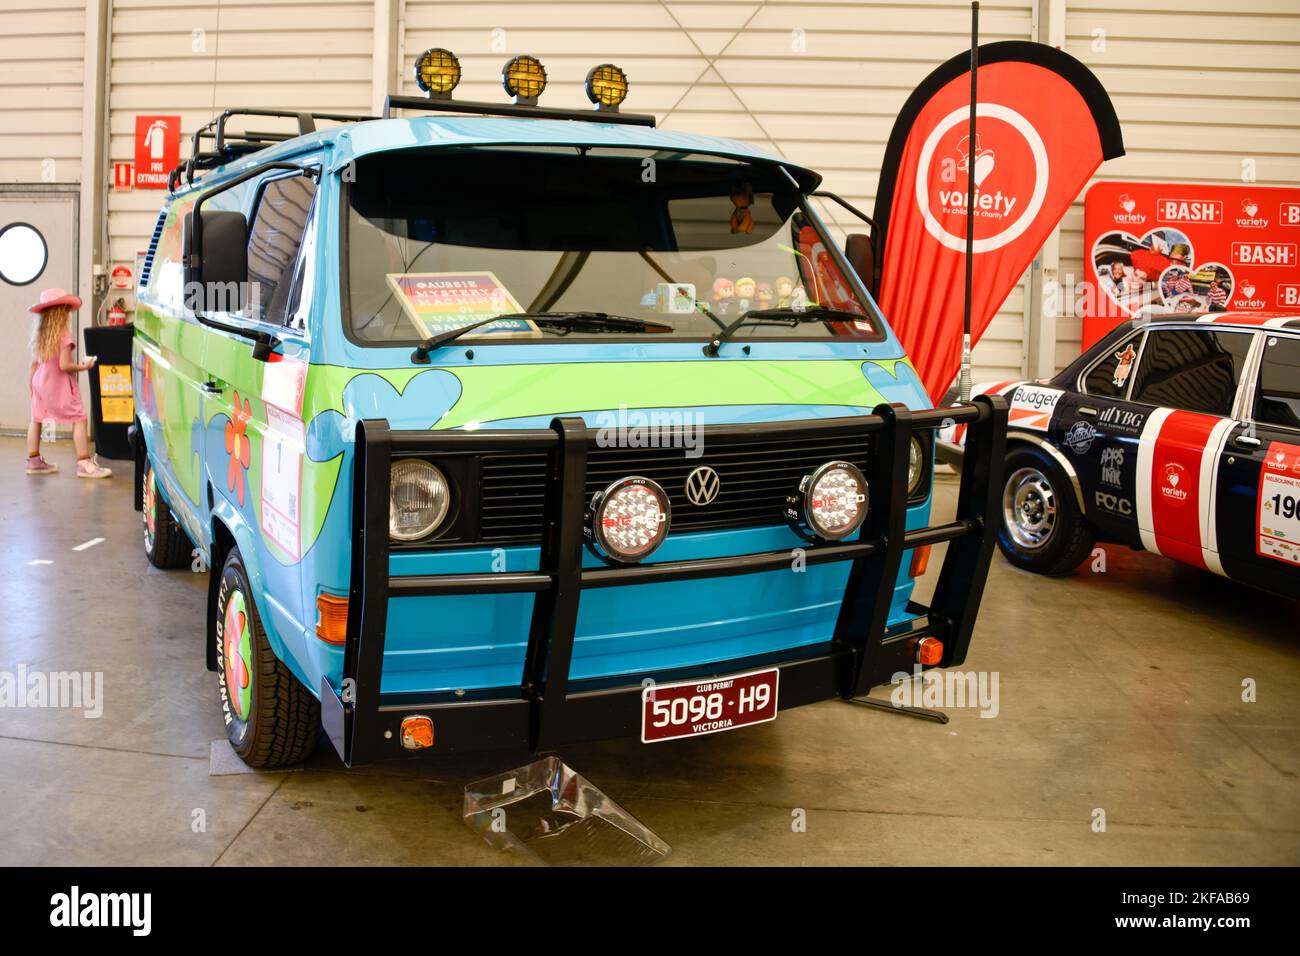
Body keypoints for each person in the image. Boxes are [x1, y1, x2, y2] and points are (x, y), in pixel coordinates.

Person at [26, 288, 111, 478]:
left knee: (36, 419)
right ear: (62, 311)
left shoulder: (40, 335)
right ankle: (84, 463)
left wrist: (30, 385)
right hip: (58, 385)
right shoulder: (64, 336)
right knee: (79, 418)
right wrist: (84, 366)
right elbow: (65, 365)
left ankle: (33, 461)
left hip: (39, 381)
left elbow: (34, 363)